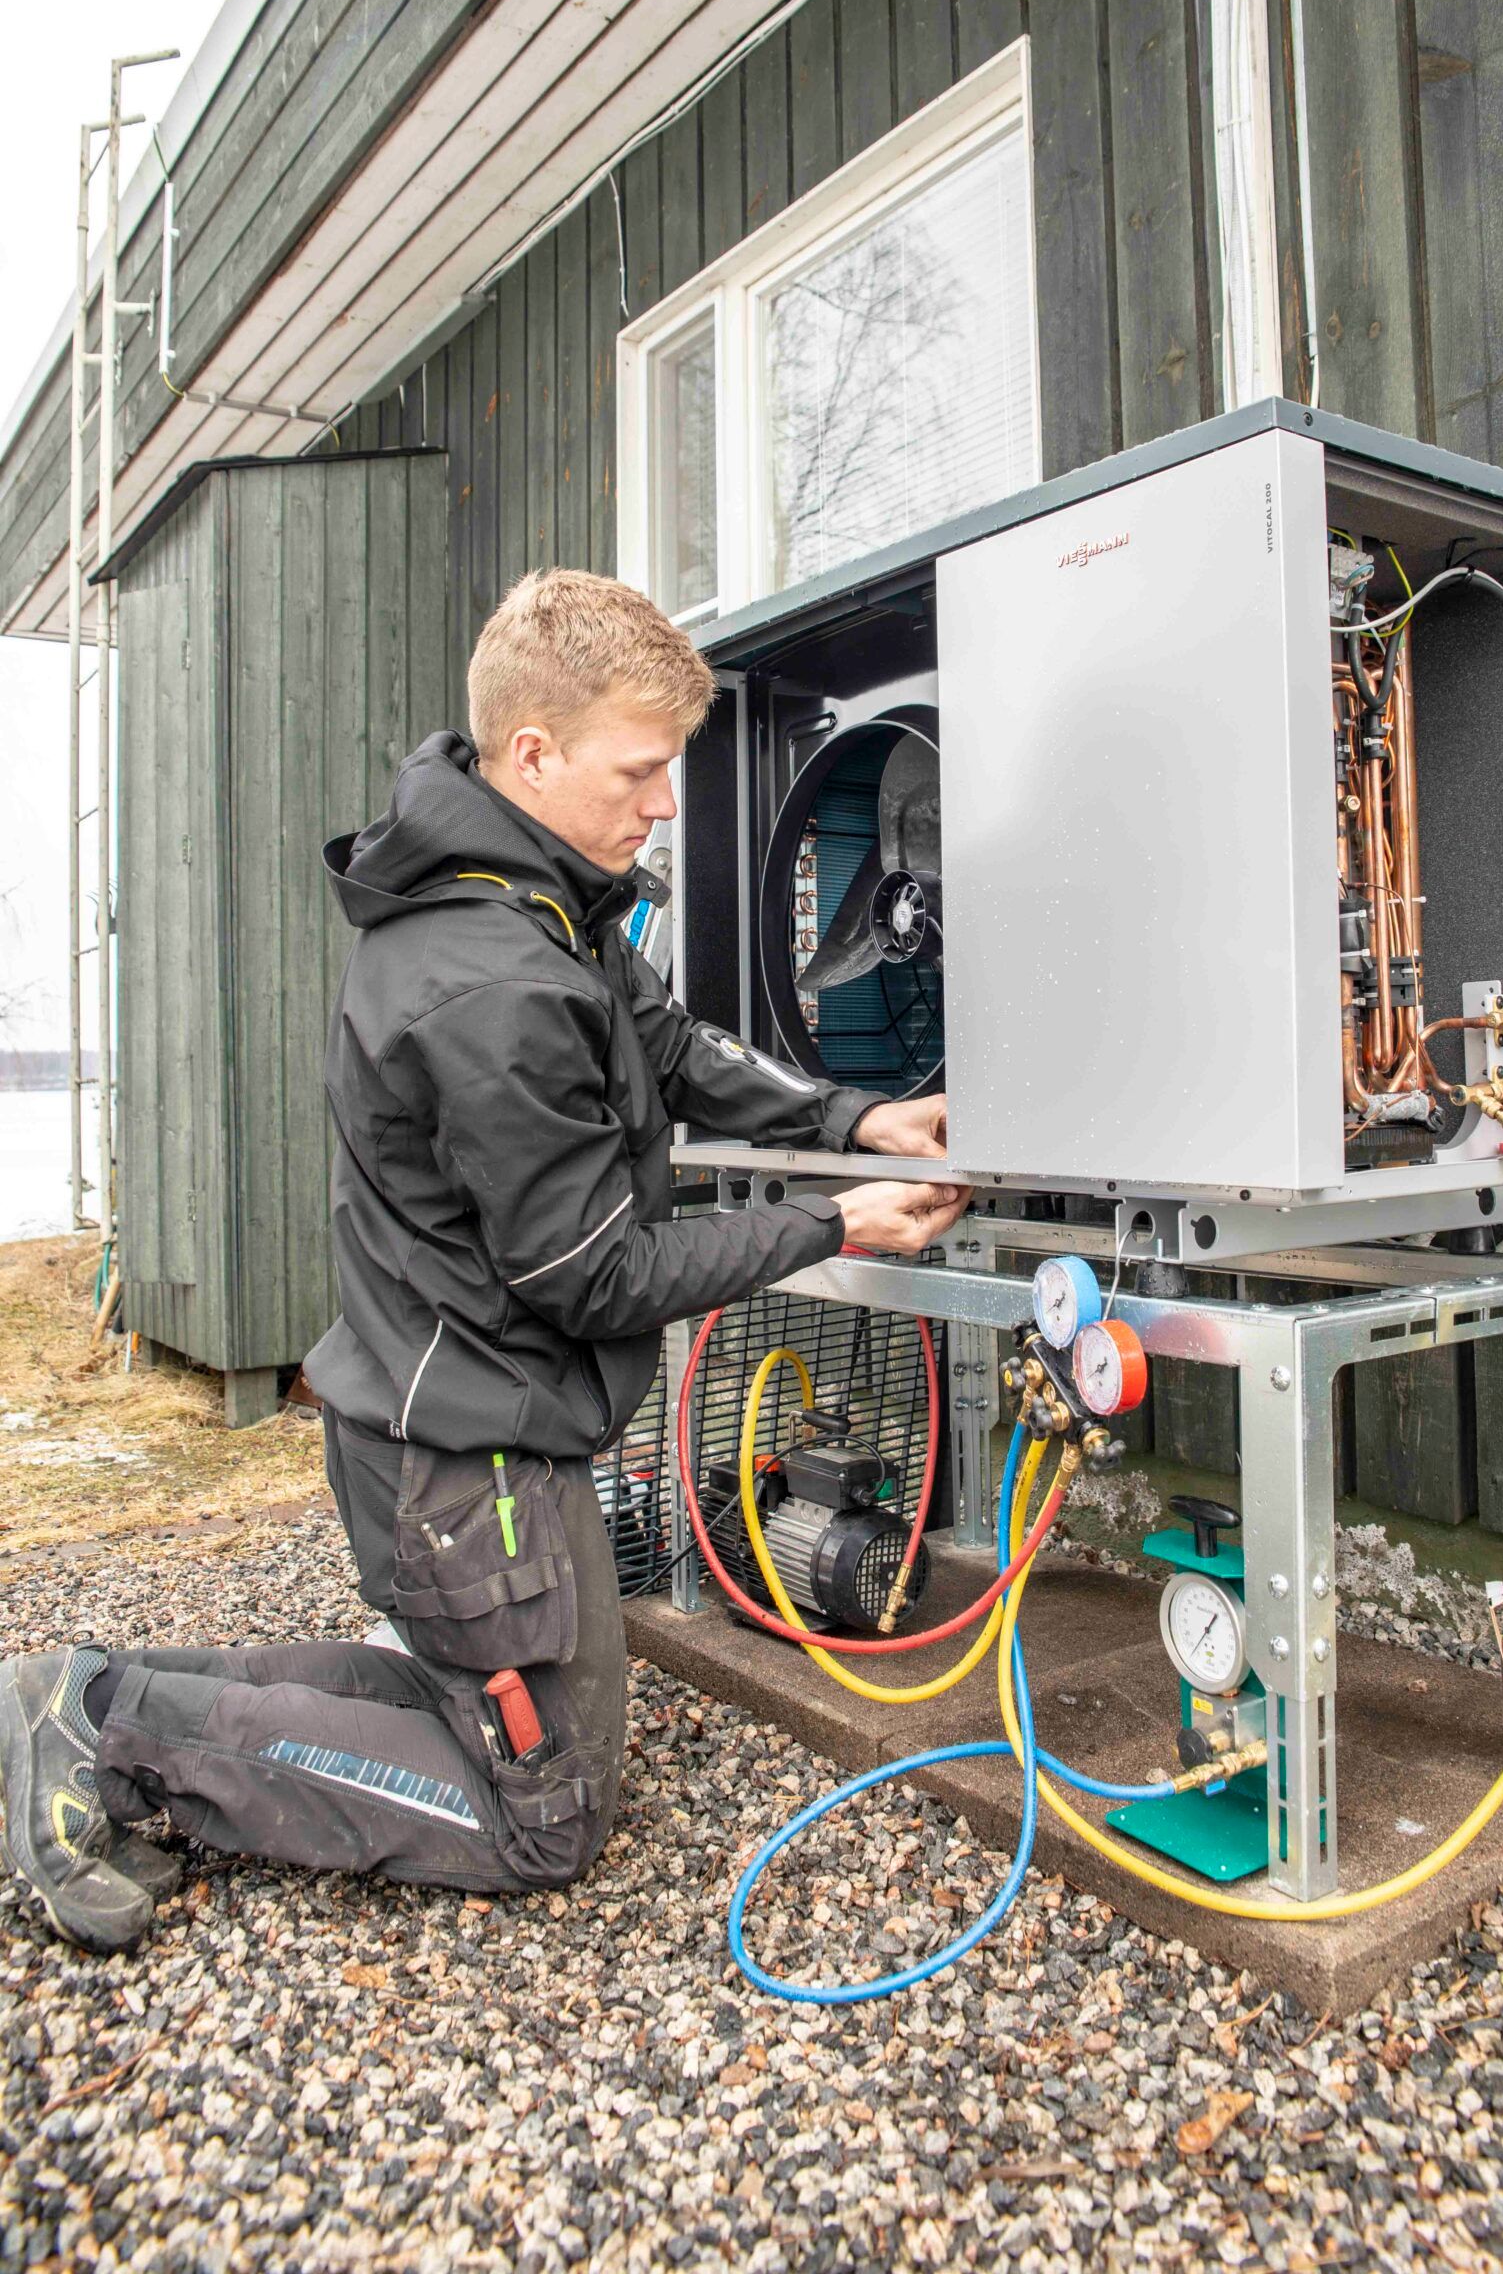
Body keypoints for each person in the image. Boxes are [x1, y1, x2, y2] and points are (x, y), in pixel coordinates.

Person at [0, 570, 966, 1952]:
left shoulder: (535, 904)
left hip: (446, 1415)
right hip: (468, 1463)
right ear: (533, 752)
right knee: (544, 1820)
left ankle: (93, 1697)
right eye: (638, 771)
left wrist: (851, 1117)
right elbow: (595, 1278)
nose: (663, 804)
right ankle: (110, 1731)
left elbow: (668, 1046)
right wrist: (834, 1223)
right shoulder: (496, 980)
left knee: (476, 1708)